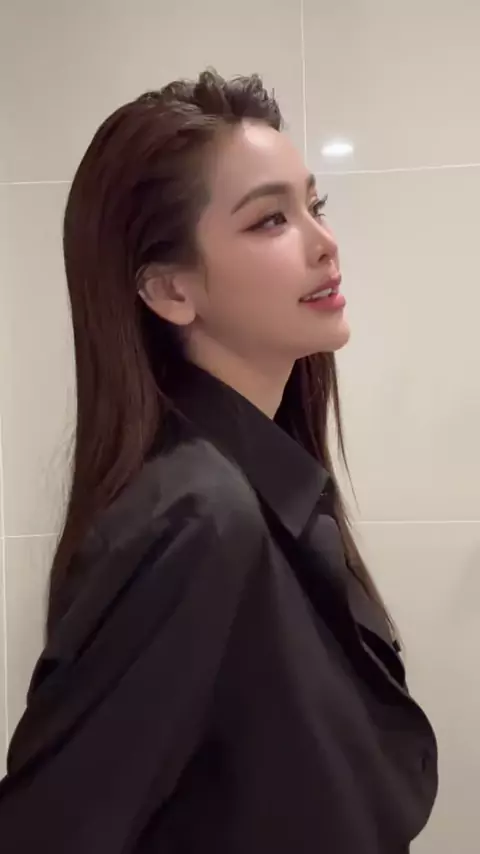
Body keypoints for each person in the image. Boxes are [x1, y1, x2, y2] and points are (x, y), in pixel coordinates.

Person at [0, 70, 437, 853]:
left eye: (315, 206)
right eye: (270, 219)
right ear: (170, 290)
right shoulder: (198, 519)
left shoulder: (261, 493)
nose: (324, 243)